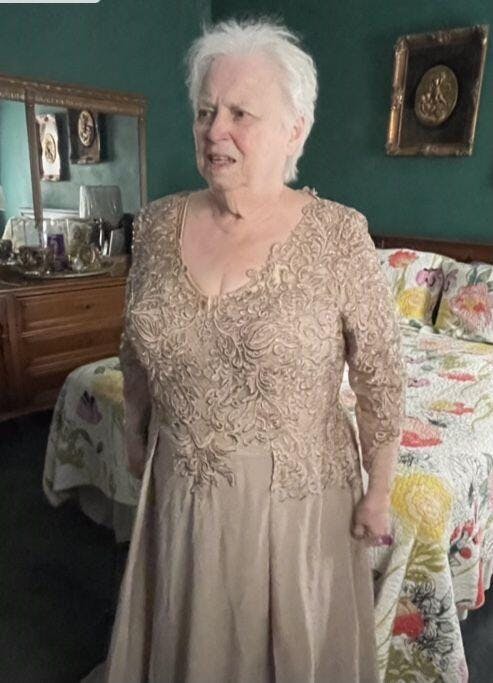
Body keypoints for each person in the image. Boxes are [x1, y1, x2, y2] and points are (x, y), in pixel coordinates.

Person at [83, 18, 405, 683]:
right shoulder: (155, 225)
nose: (214, 130)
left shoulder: (339, 236)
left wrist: (379, 492)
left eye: (239, 113)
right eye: (205, 111)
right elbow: (136, 344)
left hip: (293, 515)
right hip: (181, 494)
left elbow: (380, 375)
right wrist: (136, 432)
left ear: (296, 130)